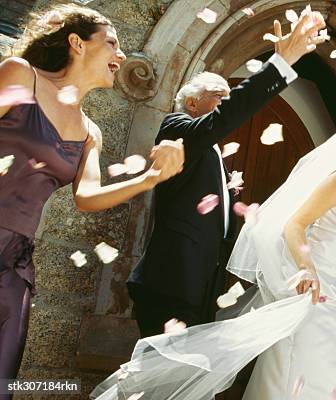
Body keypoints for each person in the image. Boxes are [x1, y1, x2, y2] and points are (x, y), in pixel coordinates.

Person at [91, 111, 336, 399]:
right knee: (299, 370)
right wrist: (307, 271)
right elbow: (294, 226)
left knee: (321, 372)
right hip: (310, 284)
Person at [0, 4, 184, 391]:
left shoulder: (89, 132)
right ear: (76, 43)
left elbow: (88, 196)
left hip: (15, 264)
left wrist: (150, 178)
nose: (120, 55)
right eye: (112, 43)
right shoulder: (21, 75)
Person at [126, 10, 327, 338]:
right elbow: (224, 118)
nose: (227, 100)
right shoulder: (177, 128)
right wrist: (281, 64)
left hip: (200, 288)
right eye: (220, 96)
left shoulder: (213, 154)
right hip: (171, 282)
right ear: (192, 102)